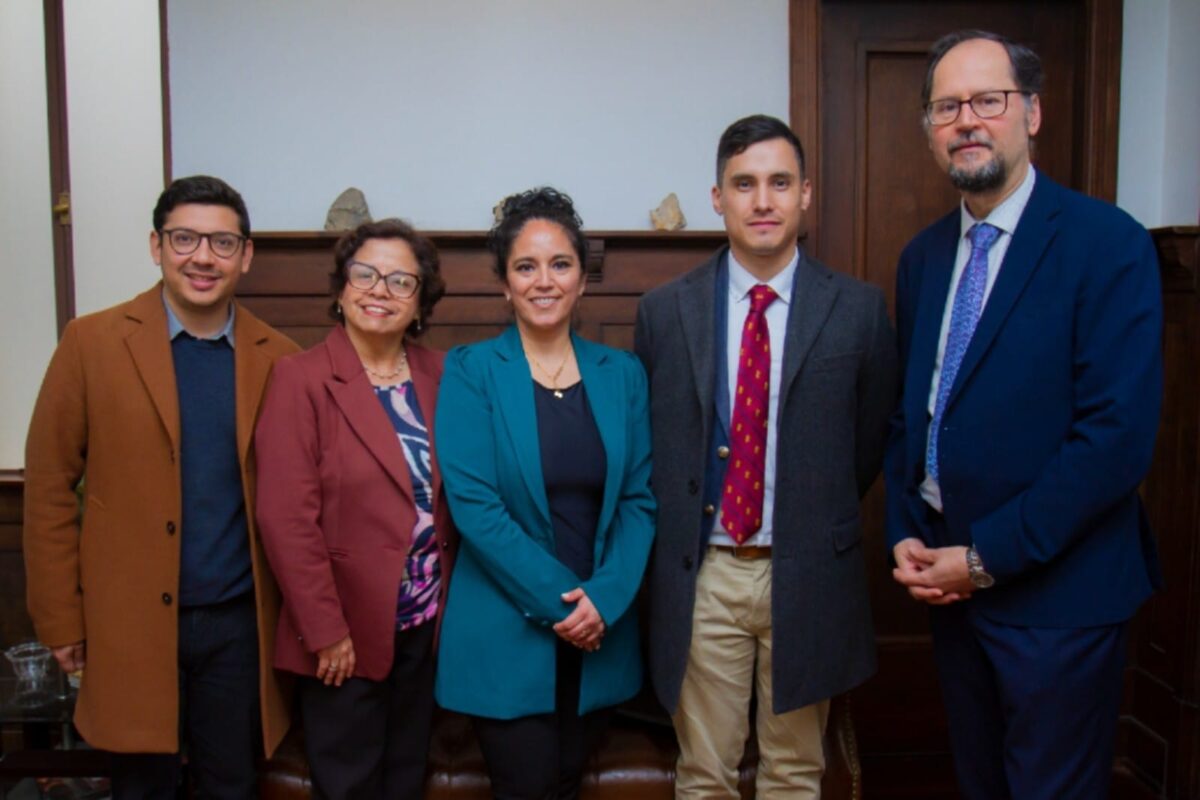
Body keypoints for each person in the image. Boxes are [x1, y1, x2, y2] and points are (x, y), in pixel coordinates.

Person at [885, 30, 1163, 800]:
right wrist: (904, 529)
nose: (966, 120)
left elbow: (1115, 441)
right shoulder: (924, 258)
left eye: (987, 100)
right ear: (931, 130)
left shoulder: (1108, 244)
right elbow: (916, 417)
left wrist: (983, 559)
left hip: (1059, 603)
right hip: (948, 594)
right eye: (947, 107)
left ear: (1031, 114)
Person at [634, 114, 897, 798]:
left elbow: (867, 444)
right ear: (718, 198)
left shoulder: (859, 311)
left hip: (808, 574)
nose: (763, 200)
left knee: (794, 774)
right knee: (705, 774)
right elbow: (653, 446)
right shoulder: (666, 312)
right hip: (706, 576)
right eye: (744, 184)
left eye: (779, 182)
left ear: (806, 193)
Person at [22, 175, 299, 798]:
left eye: (223, 243)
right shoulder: (90, 343)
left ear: (246, 255)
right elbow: (46, 488)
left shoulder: (279, 356)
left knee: (231, 783)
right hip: (127, 621)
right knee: (141, 786)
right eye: (185, 238)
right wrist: (60, 618)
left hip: (237, 625)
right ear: (156, 245)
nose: (203, 256)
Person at [434, 187, 655, 799]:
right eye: (525, 267)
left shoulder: (622, 375)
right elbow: (476, 508)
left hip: (599, 634)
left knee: (563, 784)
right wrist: (563, 607)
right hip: (506, 633)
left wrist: (602, 603)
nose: (544, 281)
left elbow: (639, 501)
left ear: (583, 278)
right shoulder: (471, 370)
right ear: (504, 285)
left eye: (560, 264)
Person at [253, 218, 455, 798]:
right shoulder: (302, 379)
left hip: (426, 627)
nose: (379, 290)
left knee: (405, 782)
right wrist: (325, 632)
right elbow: (285, 519)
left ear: (420, 303)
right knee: (350, 788)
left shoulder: (441, 375)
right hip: (344, 635)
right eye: (364, 274)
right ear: (341, 289)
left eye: (400, 281)